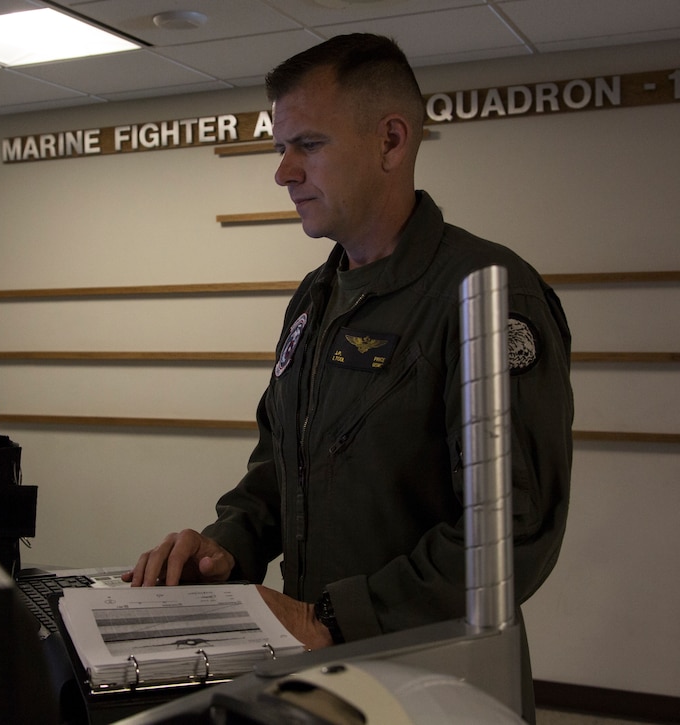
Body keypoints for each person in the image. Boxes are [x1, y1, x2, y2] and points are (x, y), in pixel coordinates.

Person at [124, 33, 573, 721]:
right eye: (281, 149)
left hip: (437, 685)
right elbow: (279, 469)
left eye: (307, 144)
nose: (283, 173)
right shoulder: (317, 297)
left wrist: (332, 618)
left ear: (391, 141)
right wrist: (225, 546)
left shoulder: (487, 294)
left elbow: (510, 530)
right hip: (325, 677)